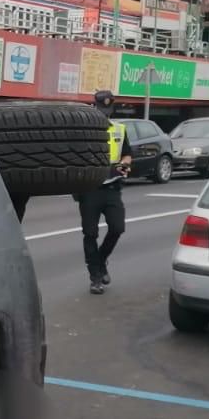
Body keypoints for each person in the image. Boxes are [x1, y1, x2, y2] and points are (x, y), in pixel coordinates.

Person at [76, 89, 132, 296]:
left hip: (112, 188)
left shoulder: (119, 129)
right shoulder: (83, 130)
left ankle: (101, 260)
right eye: (101, 108)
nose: (104, 112)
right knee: (90, 234)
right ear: (94, 107)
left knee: (118, 228)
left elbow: (127, 154)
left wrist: (125, 164)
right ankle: (95, 277)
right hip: (90, 189)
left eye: (107, 109)